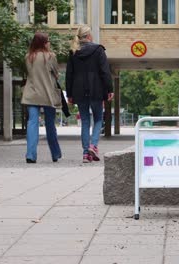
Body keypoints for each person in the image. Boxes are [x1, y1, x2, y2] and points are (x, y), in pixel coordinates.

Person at [66, 26, 114, 163]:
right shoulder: (98, 50)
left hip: (79, 90)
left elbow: (69, 75)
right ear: (88, 36)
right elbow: (105, 72)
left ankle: (86, 153)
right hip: (96, 89)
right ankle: (93, 145)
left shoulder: (74, 52)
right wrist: (109, 89)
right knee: (98, 119)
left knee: (85, 121)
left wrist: (69, 93)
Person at [21, 32, 62, 164]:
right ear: (44, 43)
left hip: (32, 94)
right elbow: (56, 74)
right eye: (48, 41)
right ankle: (55, 154)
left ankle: (30, 155)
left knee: (32, 123)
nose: (49, 43)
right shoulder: (50, 56)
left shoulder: (28, 57)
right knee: (50, 124)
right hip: (47, 95)